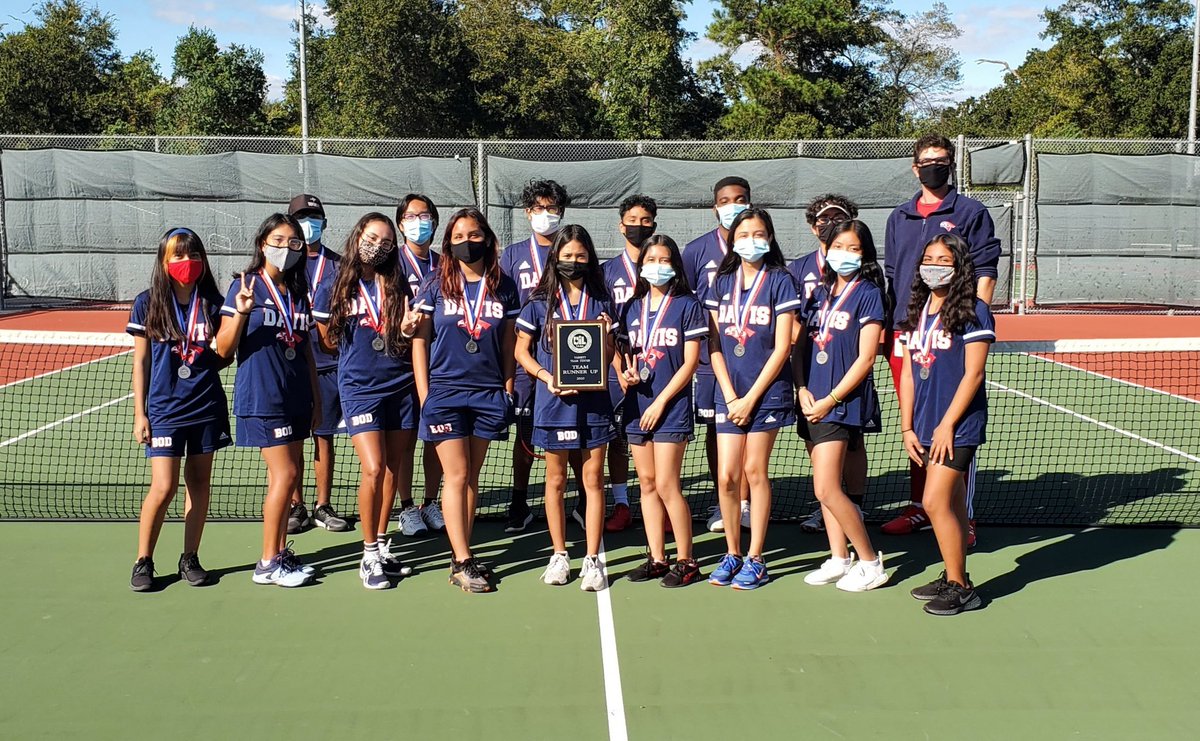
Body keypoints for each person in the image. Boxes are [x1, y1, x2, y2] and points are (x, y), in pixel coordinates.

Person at [882, 134, 1000, 548]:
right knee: (917, 421)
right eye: (927, 160)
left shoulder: (970, 211)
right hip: (909, 329)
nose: (934, 165)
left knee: (956, 422)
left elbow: (984, 268)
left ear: (951, 165)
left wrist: (967, 317)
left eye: (942, 160)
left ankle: (960, 515)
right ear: (915, 167)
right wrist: (893, 327)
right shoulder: (899, 216)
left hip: (954, 330)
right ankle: (920, 505)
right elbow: (893, 273)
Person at [413, 207, 520, 593]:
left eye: (474, 235)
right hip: (445, 392)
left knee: (471, 476)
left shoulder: (503, 286)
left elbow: (509, 341)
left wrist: (507, 386)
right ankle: (460, 560)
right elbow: (420, 340)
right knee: (456, 474)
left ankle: (465, 552)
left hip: (488, 392)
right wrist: (426, 394)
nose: (466, 242)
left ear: (487, 239)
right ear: (448, 242)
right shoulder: (434, 283)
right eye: (458, 237)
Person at [313, 213, 422, 590]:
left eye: (386, 241)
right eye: (372, 237)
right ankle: (368, 552)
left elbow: (408, 334)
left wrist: (406, 331)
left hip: (401, 383)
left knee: (392, 469)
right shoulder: (334, 282)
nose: (378, 245)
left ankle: (380, 547)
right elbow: (327, 340)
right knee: (373, 468)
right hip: (360, 387)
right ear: (358, 235)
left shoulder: (398, 283)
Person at [214, 213, 319, 588]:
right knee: (286, 475)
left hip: (296, 395)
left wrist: (316, 399)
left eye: (294, 243)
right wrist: (242, 312)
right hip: (262, 395)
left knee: (290, 473)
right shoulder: (245, 287)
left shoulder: (296, 292)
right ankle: (267, 563)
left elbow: (306, 352)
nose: (285, 249)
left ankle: (278, 553)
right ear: (263, 244)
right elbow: (223, 350)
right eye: (278, 240)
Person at [704, 208, 802, 590]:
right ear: (732, 239)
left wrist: (751, 397)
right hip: (728, 394)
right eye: (743, 234)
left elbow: (782, 348)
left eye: (759, 233)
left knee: (754, 472)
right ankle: (732, 551)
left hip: (767, 395)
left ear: (770, 237)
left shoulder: (781, 280)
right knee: (727, 476)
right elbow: (712, 344)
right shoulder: (721, 281)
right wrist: (731, 394)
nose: (751, 240)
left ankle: (756, 557)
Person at [127, 228, 230, 591]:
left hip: (206, 407)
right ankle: (143, 561)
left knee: (199, 483)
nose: (187, 263)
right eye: (178, 256)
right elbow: (141, 363)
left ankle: (190, 558)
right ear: (164, 261)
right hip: (165, 410)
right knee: (164, 486)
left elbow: (223, 354)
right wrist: (141, 413)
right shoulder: (147, 302)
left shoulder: (215, 303)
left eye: (193, 255)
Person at [515, 224, 615, 592]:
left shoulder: (602, 302)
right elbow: (520, 351)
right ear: (555, 257)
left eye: (581, 256)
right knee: (555, 481)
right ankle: (559, 555)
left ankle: (592, 559)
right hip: (553, 403)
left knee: (592, 482)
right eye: (568, 256)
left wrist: (606, 338)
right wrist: (546, 376)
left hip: (594, 405)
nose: (574, 262)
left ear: (590, 258)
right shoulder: (538, 302)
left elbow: (608, 357)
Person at [897, 234, 993, 615]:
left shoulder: (974, 311)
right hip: (924, 424)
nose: (934, 265)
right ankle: (954, 574)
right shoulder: (918, 309)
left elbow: (973, 374)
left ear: (958, 266)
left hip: (957, 426)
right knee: (950, 502)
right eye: (929, 258)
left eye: (944, 259)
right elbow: (907, 375)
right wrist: (907, 427)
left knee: (935, 501)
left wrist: (947, 424)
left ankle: (962, 588)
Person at [795, 220, 889, 592]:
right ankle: (839, 557)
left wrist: (830, 399)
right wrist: (802, 388)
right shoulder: (819, 294)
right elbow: (800, 346)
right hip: (811, 399)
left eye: (853, 248)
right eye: (839, 247)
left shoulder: (868, 294)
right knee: (826, 486)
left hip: (840, 404)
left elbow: (866, 358)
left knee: (827, 489)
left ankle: (869, 561)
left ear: (864, 253)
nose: (844, 255)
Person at [618, 235, 707, 587]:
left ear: (674, 265)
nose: (657, 265)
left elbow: (689, 364)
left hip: (669, 407)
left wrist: (661, 402)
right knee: (648, 483)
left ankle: (687, 560)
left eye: (664, 259)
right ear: (641, 267)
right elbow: (625, 355)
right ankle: (657, 556)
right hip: (637, 404)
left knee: (669, 484)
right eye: (650, 259)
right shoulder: (631, 306)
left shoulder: (687, 304)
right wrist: (624, 373)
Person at [499, 179, 585, 533]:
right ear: (527, 213)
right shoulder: (512, 255)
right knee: (525, 431)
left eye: (552, 209)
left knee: (575, 427)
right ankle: (520, 501)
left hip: (570, 356)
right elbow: (503, 307)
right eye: (538, 208)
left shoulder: (571, 251)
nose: (545, 215)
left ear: (561, 213)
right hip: (526, 357)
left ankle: (581, 500)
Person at [786, 194, 873, 535]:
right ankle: (832, 519)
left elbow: (867, 347)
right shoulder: (803, 273)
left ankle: (856, 508)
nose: (830, 224)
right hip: (811, 379)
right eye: (824, 220)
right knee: (819, 456)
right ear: (814, 227)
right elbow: (795, 327)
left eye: (838, 218)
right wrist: (802, 385)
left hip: (844, 382)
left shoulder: (866, 287)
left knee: (852, 445)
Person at [682, 176, 754, 533]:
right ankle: (721, 498)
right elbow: (685, 303)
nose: (733, 206)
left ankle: (747, 501)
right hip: (712, 362)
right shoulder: (695, 251)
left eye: (740, 199)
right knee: (716, 430)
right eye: (726, 200)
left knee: (753, 434)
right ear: (715, 207)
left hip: (753, 362)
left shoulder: (761, 249)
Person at [286, 194, 349, 534]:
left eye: (314, 217)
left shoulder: (340, 266)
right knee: (294, 437)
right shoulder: (283, 263)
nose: (309, 223)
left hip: (330, 364)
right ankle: (296, 506)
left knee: (323, 435)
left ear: (324, 223)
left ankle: (322, 505)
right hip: (291, 364)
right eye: (301, 217)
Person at [599, 195, 657, 532]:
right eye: (632, 219)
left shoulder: (664, 265)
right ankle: (621, 502)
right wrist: (619, 366)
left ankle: (661, 503)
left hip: (657, 367)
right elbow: (602, 325)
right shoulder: (606, 272)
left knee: (657, 437)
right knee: (617, 439)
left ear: (654, 225)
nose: (638, 225)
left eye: (645, 220)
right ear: (621, 226)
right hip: (615, 366)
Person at [394, 193, 446, 537]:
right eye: (412, 216)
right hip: (398, 365)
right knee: (405, 438)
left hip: (439, 364)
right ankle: (407, 506)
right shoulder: (392, 264)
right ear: (401, 224)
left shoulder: (445, 265)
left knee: (437, 437)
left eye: (425, 216)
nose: (419, 222)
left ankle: (431, 502)